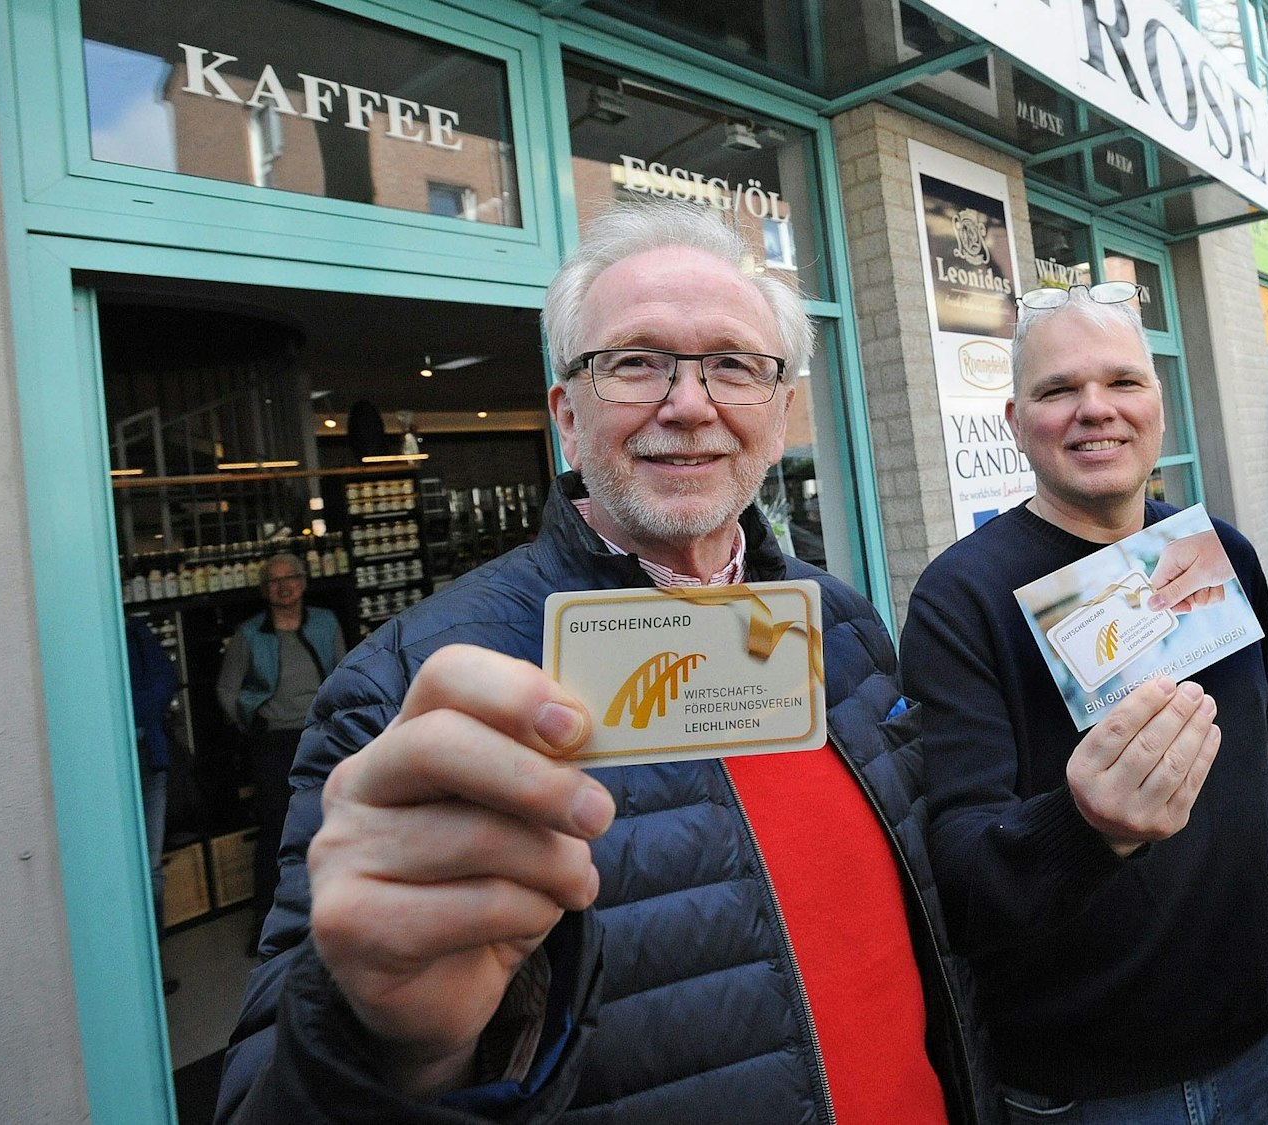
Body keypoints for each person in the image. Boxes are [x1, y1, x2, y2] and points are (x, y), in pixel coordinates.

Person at [216, 199, 990, 1123]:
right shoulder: (407, 692)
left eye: (735, 366)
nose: (690, 403)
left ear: (780, 414)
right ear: (568, 417)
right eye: (635, 362)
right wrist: (387, 1045)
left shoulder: (845, 626)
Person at [900, 281, 1268, 1121]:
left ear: (1158, 403)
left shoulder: (1216, 550)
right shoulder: (962, 595)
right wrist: (1085, 827)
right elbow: (961, 869)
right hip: (1085, 1089)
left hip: (1254, 1044)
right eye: (1059, 390)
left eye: (1123, 382)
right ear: (1016, 421)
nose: (1097, 410)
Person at [214, 551, 346, 929]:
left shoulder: (325, 623)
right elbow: (226, 688)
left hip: (321, 735)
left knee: (332, 819)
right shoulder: (250, 634)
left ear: (304, 583)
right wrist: (252, 721)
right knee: (278, 828)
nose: (284, 586)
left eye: (291, 578)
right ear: (264, 590)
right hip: (274, 740)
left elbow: (343, 674)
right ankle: (269, 919)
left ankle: (336, 910)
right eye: (274, 581)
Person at [126, 615, 181, 994]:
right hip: (100, 767)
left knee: (149, 872)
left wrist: (119, 709)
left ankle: (152, 970)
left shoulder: (133, 629)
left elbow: (166, 683)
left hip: (148, 759)